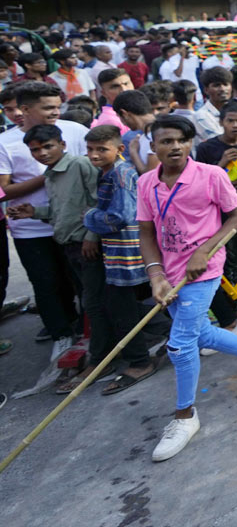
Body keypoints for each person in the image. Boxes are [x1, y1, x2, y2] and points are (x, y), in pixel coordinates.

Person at [136, 115, 237, 462]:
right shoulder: (146, 183)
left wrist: (205, 250)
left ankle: (185, 416)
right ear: (153, 146)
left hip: (203, 270)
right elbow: (146, 232)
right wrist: (155, 275)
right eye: (166, 141)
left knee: (180, 344)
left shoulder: (211, 175)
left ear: (190, 143)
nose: (174, 146)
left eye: (181, 140)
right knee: (201, 333)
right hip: (170, 272)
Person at [0, 81, 89, 361]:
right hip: (30, 230)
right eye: (47, 107)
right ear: (25, 109)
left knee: (82, 282)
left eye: (57, 106)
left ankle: (91, 333)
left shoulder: (74, 131)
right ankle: (61, 336)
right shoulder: (5, 143)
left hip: (76, 226)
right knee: (47, 284)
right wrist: (52, 172)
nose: (56, 112)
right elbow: (4, 190)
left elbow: (96, 167)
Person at [7, 124, 100, 386]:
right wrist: (33, 213)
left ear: (62, 144)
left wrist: (92, 237)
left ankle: (104, 355)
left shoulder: (80, 165)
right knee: (87, 297)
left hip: (85, 244)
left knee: (94, 300)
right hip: (69, 245)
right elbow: (62, 212)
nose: (42, 153)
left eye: (48, 146)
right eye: (35, 150)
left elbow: (96, 202)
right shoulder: (50, 174)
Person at [81, 124, 159, 394]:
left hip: (127, 250)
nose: (94, 155)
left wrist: (88, 216)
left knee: (121, 307)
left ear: (119, 149)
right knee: (124, 304)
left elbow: (120, 216)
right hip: (118, 250)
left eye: (101, 150)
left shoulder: (121, 175)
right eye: (90, 150)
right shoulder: (111, 172)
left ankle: (140, 362)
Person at [192, 66, 233, 142]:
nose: (223, 89)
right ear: (206, 90)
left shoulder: (235, 111)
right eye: (217, 85)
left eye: (225, 84)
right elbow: (222, 143)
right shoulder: (201, 116)